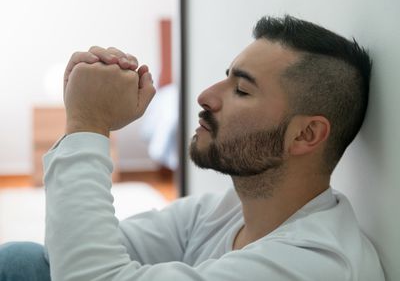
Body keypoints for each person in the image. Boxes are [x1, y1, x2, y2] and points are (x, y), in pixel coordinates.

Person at [0, 15, 385, 280]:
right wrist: (83, 116)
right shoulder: (222, 211)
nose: (205, 96)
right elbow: (68, 252)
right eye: (225, 77)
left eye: (242, 90)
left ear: (305, 135)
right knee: (25, 261)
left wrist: (88, 124)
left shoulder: (317, 264)